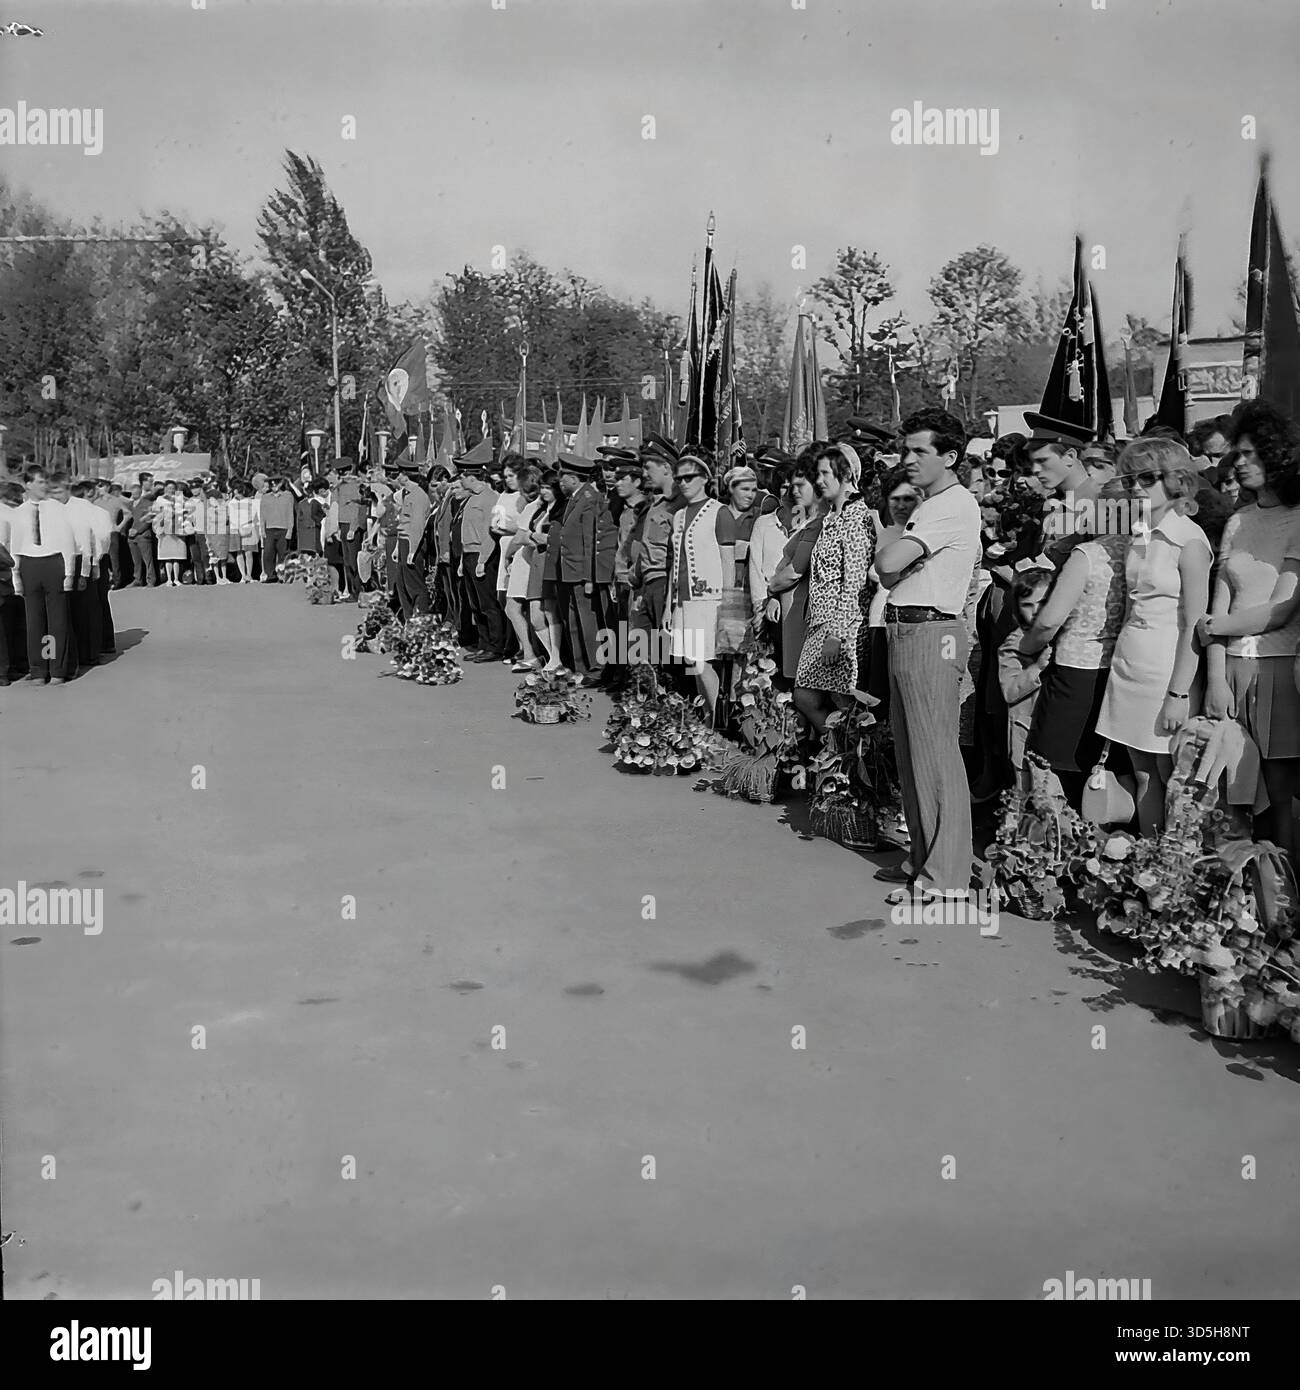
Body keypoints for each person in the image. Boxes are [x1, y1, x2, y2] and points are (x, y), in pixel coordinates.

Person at [874, 408, 982, 900]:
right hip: (908, 627)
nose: (908, 459)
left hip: (931, 630)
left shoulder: (950, 505)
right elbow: (888, 575)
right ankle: (924, 857)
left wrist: (891, 557)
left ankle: (948, 876)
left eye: (920, 451)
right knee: (912, 752)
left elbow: (889, 562)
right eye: (906, 449)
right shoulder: (930, 503)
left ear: (950, 456)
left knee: (935, 754)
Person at [1094, 437, 1212, 836]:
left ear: (1177, 480)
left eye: (1147, 477)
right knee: (1143, 775)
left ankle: (1172, 873)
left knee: (1174, 777)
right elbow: (1132, 606)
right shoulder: (1139, 534)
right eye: (1130, 479)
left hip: (1167, 671)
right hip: (1130, 665)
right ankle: (1146, 869)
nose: (1136, 487)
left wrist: (1180, 694)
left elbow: (1195, 624)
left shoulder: (1190, 540)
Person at [1198, 400, 1300, 862]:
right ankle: (1233, 896)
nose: (1238, 463)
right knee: (1230, 789)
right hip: (1232, 670)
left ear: (1278, 456)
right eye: (1236, 454)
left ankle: (1281, 896)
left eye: (1250, 454)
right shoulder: (1238, 521)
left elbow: (1280, 609)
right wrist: (1216, 677)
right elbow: (1219, 597)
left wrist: (1211, 627)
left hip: (1279, 670)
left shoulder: (1298, 519)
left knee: (1279, 794)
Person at [1018, 481, 1132, 810]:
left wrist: (1026, 647)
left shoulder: (1089, 555)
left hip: (1075, 668)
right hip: (1119, 667)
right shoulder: (1142, 551)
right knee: (1104, 768)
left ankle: (1053, 844)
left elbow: (1050, 619)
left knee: (1053, 766)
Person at [793, 446, 874, 734]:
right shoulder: (830, 518)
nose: (819, 481)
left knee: (845, 703)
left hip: (842, 627)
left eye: (826, 473)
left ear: (848, 474)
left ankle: (853, 766)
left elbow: (854, 583)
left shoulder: (856, 517)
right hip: (820, 623)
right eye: (817, 474)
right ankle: (838, 757)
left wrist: (836, 634)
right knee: (806, 695)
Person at [665, 451, 736, 717]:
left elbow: (728, 561)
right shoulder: (678, 515)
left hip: (710, 601)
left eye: (689, 477)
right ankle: (708, 716)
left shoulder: (720, 512)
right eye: (679, 478)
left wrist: (729, 606)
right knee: (691, 661)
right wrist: (668, 606)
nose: (683, 483)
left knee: (700, 660)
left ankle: (718, 717)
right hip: (683, 601)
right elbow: (676, 563)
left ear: (705, 478)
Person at [554, 452, 617, 685]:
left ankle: (596, 667)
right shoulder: (576, 497)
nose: (560, 481)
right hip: (570, 570)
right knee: (573, 621)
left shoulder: (589, 498)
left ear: (575, 477)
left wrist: (590, 577)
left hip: (582, 572)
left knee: (588, 622)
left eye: (564, 477)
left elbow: (591, 540)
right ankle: (580, 666)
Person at [864, 466, 921, 720]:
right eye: (896, 498)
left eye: (908, 498)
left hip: (911, 620)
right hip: (881, 617)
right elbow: (879, 572)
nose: (901, 504)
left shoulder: (922, 531)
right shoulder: (889, 531)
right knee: (880, 696)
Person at [10, 466, 76, 685]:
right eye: (39, 482)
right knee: (34, 621)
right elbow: (15, 546)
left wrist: (69, 573)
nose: (44, 486)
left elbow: (68, 540)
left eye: (45, 482)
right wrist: (16, 576)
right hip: (29, 564)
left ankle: (57, 669)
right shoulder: (18, 512)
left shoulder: (56, 509)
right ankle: (39, 670)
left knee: (57, 621)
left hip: (53, 562)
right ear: (28, 485)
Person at [766, 451, 825, 687]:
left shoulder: (816, 523)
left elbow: (795, 570)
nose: (794, 491)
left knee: (804, 687)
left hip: (800, 604)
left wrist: (772, 586)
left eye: (801, 485)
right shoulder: (808, 521)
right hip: (793, 606)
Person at [997, 568, 1054, 784]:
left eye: (1043, 602)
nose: (1036, 611)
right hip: (1026, 734)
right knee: (1026, 797)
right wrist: (1036, 668)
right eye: (1028, 605)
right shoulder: (1014, 643)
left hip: (1052, 733)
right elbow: (1010, 690)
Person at [628, 437, 681, 663]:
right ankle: (645, 694)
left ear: (667, 468)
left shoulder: (680, 504)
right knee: (637, 649)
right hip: (648, 583)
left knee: (666, 649)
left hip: (665, 582)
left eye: (649, 467)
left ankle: (668, 695)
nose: (644, 473)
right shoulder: (656, 504)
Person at [456, 442, 507, 663]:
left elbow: (490, 533)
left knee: (488, 604)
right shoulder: (471, 498)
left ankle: (495, 646)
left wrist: (483, 560)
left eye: (462, 476)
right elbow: (466, 531)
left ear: (472, 476)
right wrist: (462, 560)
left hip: (482, 556)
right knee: (475, 604)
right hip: (469, 554)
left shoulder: (490, 498)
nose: (460, 480)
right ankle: (483, 643)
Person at [501, 463, 547, 671]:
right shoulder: (541, 507)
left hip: (524, 560)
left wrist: (508, 554)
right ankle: (534, 651)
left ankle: (530, 652)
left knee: (514, 607)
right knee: (528, 609)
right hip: (530, 560)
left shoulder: (532, 507)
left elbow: (520, 537)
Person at [55, 474, 103, 670]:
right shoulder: (55, 510)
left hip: (80, 562)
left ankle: (89, 654)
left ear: (66, 489)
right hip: (59, 563)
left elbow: (87, 542)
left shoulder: (80, 508)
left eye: (58, 491)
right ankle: (74, 653)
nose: (55, 495)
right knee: (69, 614)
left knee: (84, 612)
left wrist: (86, 572)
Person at [393, 469, 432, 621]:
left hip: (412, 542)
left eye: (400, 473)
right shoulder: (408, 495)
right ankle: (409, 620)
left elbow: (417, 525)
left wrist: (413, 549)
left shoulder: (418, 496)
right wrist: (398, 547)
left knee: (414, 585)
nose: (397, 477)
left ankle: (420, 623)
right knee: (402, 584)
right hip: (404, 541)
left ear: (407, 476)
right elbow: (403, 523)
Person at [333, 460, 365, 600]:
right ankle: (352, 591)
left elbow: (355, 509)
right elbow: (338, 507)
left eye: (344, 472)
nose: (342, 475)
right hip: (343, 524)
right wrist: (338, 528)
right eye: (339, 472)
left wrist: (353, 528)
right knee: (347, 561)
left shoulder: (354, 486)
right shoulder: (340, 487)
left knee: (353, 561)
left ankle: (358, 591)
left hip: (352, 526)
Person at [259, 475, 295, 582]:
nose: (274, 485)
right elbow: (262, 515)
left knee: (283, 554)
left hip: (283, 528)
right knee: (268, 553)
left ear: (281, 483)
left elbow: (290, 514)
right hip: (269, 528)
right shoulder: (265, 497)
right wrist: (262, 529)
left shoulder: (288, 496)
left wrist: (290, 530)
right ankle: (270, 575)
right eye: (271, 483)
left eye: (276, 483)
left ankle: (283, 575)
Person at [153, 481, 186, 586]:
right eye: (169, 488)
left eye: (173, 488)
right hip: (165, 530)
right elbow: (157, 515)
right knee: (167, 556)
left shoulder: (180, 499)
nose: (171, 490)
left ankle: (176, 578)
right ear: (165, 489)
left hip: (176, 530)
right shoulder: (160, 499)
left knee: (176, 556)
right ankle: (169, 579)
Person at [128, 478, 158, 587]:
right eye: (132, 492)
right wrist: (129, 531)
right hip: (131, 537)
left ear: (140, 491)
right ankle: (138, 579)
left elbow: (148, 520)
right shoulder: (129, 505)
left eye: (136, 492)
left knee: (148, 560)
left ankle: (151, 580)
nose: (134, 494)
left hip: (143, 535)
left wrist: (138, 530)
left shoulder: (147, 503)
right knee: (136, 561)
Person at [227, 480, 258, 583]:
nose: (237, 493)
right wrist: (237, 526)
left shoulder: (250, 502)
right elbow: (231, 516)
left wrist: (244, 524)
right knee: (239, 552)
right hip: (235, 529)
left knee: (248, 552)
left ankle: (249, 574)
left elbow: (253, 515)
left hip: (247, 528)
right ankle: (243, 575)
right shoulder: (231, 503)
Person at [204, 480, 231, 584]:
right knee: (215, 558)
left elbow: (227, 520)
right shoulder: (207, 511)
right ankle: (218, 577)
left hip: (223, 535)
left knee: (223, 557)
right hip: (212, 536)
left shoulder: (223, 508)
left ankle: (224, 576)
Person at [295, 478, 322, 555]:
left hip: (315, 532)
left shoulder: (319, 501)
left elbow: (322, 517)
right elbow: (299, 520)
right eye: (306, 489)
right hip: (304, 534)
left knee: (316, 553)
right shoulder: (301, 503)